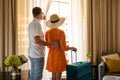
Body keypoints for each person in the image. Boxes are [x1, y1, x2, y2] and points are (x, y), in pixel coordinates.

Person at [28, 7, 59, 80]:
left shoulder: (32, 23)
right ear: (39, 14)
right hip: (37, 55)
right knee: (37, 77)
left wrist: (44, 18)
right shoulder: (36, 24)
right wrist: (52, 44)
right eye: (42, 13)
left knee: (33, 76)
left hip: (33, 53)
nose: (42, 15)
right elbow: (37, 40)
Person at [45, 14, 77, 80]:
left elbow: (48, 46)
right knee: (58, 77)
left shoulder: (47, 32)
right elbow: (63, 48)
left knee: (53, 76)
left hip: (51, 56)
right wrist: (72, 47)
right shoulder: (61, 32)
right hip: (59, 57)